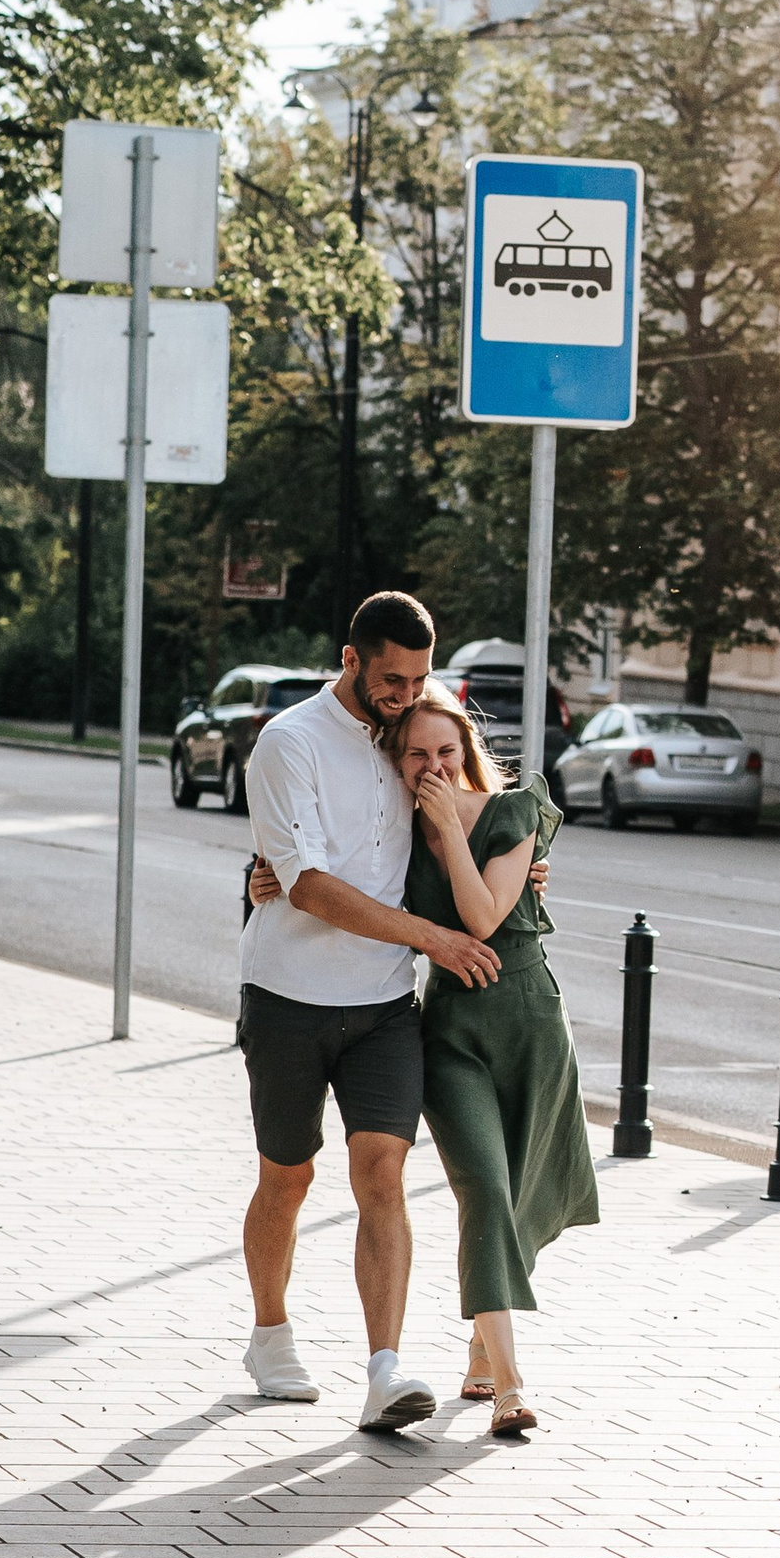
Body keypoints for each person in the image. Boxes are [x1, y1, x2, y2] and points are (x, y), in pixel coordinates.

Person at [237, 592, 496, 1431]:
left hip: (383, 1004)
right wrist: (431, 937)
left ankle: (386, 1371)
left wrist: (525, 866)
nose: (406, 694)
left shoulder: (407, 742)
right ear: (349, 660)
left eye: (420, 679)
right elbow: (308, 886)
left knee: (382, 1173)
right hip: (288, 997)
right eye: (392, 679)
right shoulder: (290, 742)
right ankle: (269, 1335)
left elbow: (480, 818)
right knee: (288, 1176)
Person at [392, 687, 600, 1436]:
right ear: (396, 761)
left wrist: (452, 826)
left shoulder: (514, 813)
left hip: (530, 1022)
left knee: (516, 1196)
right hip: (452, 1032)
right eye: (417, 754)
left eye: (447, 751)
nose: (433, 766)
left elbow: (484, 916)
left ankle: (484, 1346)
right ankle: (511, 1386)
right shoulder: (391, 833)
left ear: (467, 752)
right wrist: (266, 881)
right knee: (484, 1185)